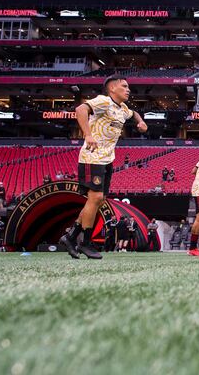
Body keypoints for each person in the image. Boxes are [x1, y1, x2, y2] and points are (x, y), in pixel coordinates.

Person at [60, 76, 147, 260]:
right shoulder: (104, 101)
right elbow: (80, 109)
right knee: (96, 197)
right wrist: (88, 134)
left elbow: (134, 113)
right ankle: (85, 243)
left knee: (98, 200)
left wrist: (140, 122)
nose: (128, 89)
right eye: (124, 86)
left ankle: (71, 236)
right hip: (92, 156)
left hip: (107, 159)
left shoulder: (122, 109)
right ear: (112, 88)